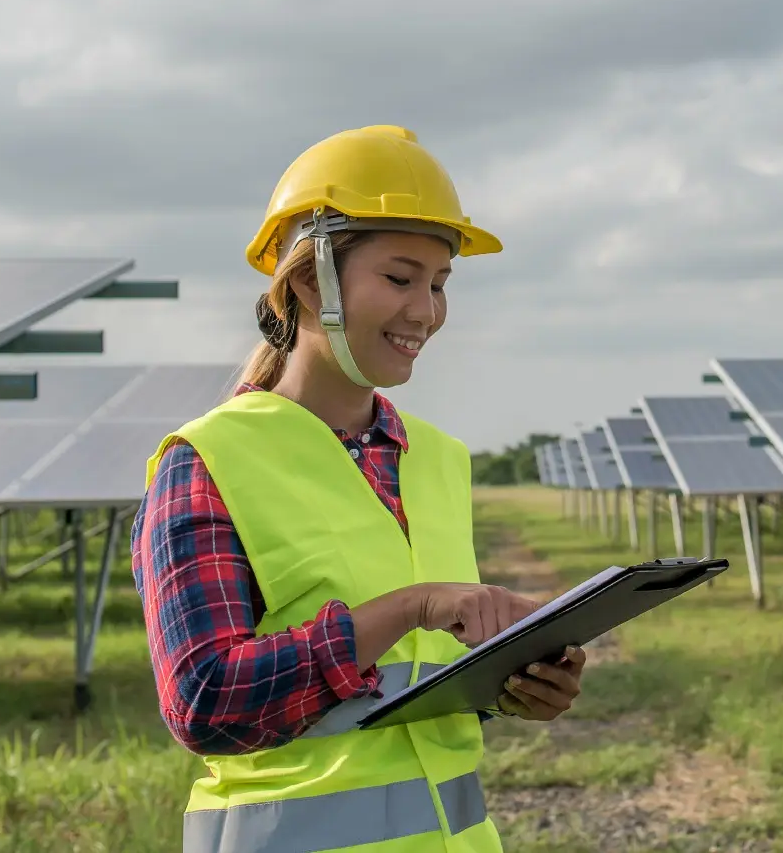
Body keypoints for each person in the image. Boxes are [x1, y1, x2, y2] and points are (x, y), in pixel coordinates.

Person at [133, 125, 586, 853]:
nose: (426, 312)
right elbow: (207, 702)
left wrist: (509, 689)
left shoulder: (435, 460)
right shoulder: (209, 460)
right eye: (401, 278)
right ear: (310, 280)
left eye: (440, 284)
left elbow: (407, 697)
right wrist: (414, 606)